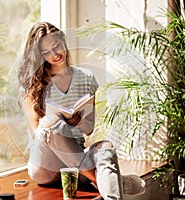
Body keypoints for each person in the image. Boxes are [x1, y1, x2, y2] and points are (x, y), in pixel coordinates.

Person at [18, 22, 125, 199]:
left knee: (106, 147)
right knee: (52, 123)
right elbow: (38, 130)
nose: (54, 54)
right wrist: (61, 121)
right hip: (46, 167)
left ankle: (113, 195)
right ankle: (99, 181)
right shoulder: (32, 83)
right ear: (39, 55)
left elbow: (88, 129)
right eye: (46, 52)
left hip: (75, 162)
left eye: (56, 46)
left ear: (63, 41)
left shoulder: (86, 77)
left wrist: (78, 120)